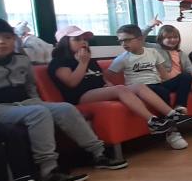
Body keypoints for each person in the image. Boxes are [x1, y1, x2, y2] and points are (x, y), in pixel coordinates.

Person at [0, 18, 126, 181]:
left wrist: (36, 100)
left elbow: (30, 85)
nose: (1, 42)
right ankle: (48, 170)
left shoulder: (21, 60)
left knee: (65, 108)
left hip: (25, 102)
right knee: (38, 113)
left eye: (7, 38)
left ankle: (99, 154)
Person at [49, 25, 179, 135]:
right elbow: (71, 83)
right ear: (64, 42)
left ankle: (172, 114)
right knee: (121, 89)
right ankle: (153, 121)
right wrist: (83, 63)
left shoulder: (89, 59)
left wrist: (108, 85)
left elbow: (102, 77)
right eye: (77, 39)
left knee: (138, 86)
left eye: (85, 39)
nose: (83, 42)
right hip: (80, 96)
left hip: (99, 91)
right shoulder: (60, 61)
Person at [109, 24, 192, 150]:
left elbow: (164, 75)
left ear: (139, 39)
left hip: (157, 83)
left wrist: (172, 83)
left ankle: (179, 107)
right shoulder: (122, 59)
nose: (123, 44)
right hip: (141, 89)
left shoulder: (153, 52)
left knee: (185, 77)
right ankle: (172, 132)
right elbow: (108, 76)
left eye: (127, 40)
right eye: (120, 41)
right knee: (162, 91)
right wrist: (113, 87)